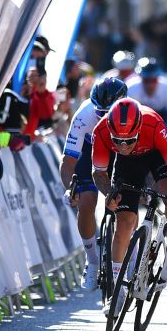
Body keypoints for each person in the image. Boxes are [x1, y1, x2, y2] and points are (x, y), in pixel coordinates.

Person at [91, 98, 167, 308]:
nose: (123, 145)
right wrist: (109, 194)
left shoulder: (153, 124)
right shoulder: (100, 131)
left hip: (156, 154)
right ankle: (117, 292)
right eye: (117, 140)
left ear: (138, 128)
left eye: (129, 140)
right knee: (124, 224)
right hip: (127, 166)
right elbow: (99, 173)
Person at [60, 77, 128, 289]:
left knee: (124, 206)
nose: (102, 118)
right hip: (89, 152)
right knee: (86, 202)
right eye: (100, 113)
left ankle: (131, 256)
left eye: (107, 114)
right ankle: (92, 260)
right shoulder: (84, 115)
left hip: (120, 151)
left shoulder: (133, 112)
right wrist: (70, 188)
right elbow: (68, 161)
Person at [127, 57, 167, 144]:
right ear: (140, 78)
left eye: (153, 80)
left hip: (162, 116)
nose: (150, 85)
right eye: (146, 80)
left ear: (158, 78)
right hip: (137, 117)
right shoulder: (131, 88)